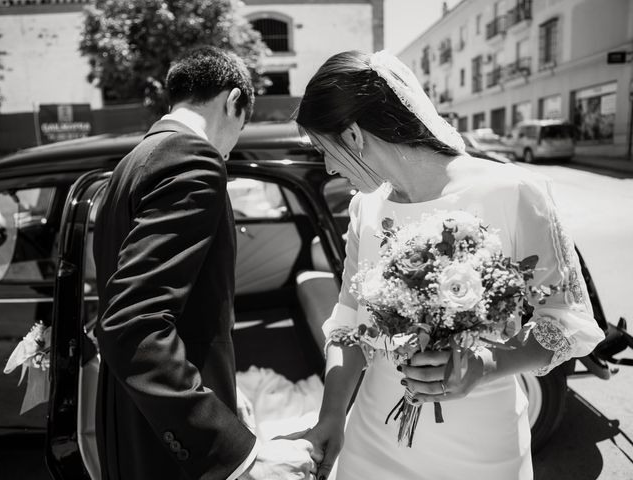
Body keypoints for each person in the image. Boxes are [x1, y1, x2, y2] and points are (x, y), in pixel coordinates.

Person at [295, 50, 605, 480]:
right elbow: (349, 320)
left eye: (323, 150)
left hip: (480, 445)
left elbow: (568, 322)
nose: (328, 167)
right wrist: (331, 416)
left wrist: (485, 364)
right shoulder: (365, 209)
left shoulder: (514, 191)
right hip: (373, 435)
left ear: (352, 136)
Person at [93, 47, 318, 480]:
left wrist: (222, 399)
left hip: (139, 419)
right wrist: (234, 453)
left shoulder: (131, 163)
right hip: (173, 445)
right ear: (234, 101)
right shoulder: (192, 160)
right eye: (242, 125)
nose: (231, 147)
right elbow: (133, 321)